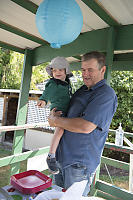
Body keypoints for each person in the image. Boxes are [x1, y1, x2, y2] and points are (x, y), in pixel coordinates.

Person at [48, 51, 117, 196]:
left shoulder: (106, 94)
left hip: (79, 165)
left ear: (102, 70)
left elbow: (86, 126)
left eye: (90, 70)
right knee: (56, 197)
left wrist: (55, 121)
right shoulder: (81, 90)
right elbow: (65, 110)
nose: (85, 74)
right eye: (83, 70)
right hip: (61, 159)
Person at [37, 56, 72, 174]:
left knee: (64, 132)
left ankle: (57, 154)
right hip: (58, 110)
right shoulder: (53, 83)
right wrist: (43, 100)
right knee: (60, 130)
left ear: (66, 71)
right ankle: (51, 156)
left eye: (60, 70)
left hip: (66, 110)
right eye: (54, 70)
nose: (57, 72)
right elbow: (47, 92)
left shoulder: (66, 83)